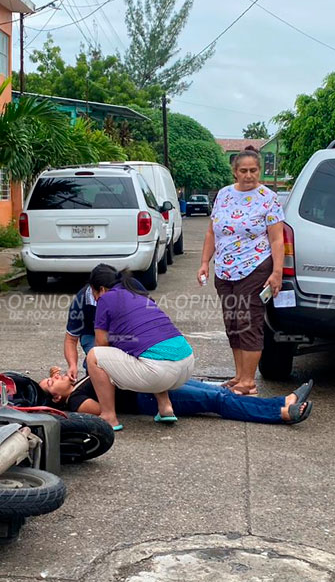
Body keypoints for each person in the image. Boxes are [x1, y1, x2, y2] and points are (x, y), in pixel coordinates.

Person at [197, 146, 285, 396]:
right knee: (232, 322)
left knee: (249, 321)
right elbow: (211, 232)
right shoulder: (223, 195)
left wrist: (276, 272)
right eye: (244, 171)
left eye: (254, 170)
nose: (249, 175)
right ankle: (239, 376)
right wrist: (205, 262)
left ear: (260, 171)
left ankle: (249, 381)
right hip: (225, 270)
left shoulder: (268, 198)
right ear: (235, 172)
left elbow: (277, 239)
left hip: (255, 267)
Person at [85, 264, 195, 430]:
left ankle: (109, 416)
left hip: (158, 372)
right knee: (147, 348)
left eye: (93, 293)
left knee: (94, 357)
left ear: (100, 289)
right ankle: (165, 407)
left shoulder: (105, 299)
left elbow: (101, 343)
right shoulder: (137, 293)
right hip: (187, 363)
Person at [39, 368, 314, 425]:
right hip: (144, 399)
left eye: (53, 375)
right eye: (53, 382)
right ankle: (280, 413)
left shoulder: (82, 379)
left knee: (220, 392)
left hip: (151, 383)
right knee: (217, 402)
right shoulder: (76, 401)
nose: (57, 376)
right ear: (57, 399)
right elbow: (102, 411)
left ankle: (282, 401)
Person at [63, 277, 145, 381]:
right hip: (91, 333)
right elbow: (70, 340)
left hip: (124, 331)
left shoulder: (131, 286)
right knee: (99, 362)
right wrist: (73, 366)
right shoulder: (81, 301)